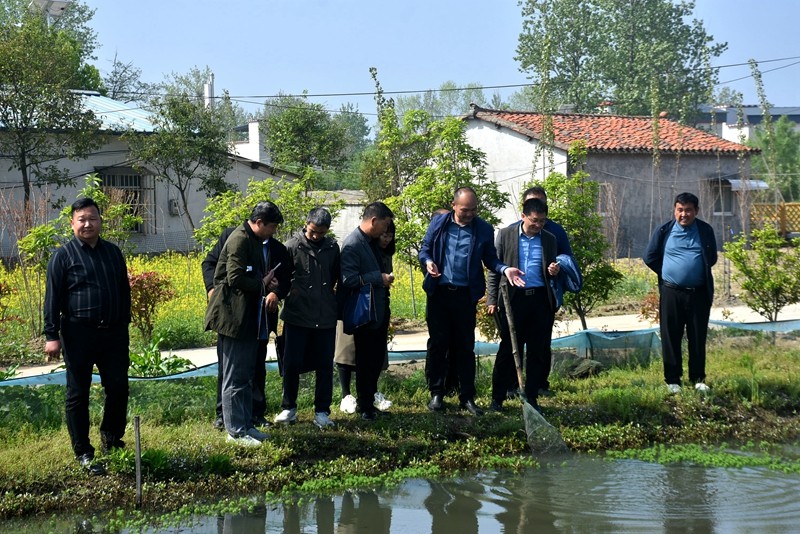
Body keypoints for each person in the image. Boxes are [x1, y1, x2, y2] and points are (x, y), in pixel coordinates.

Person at [44, 197, 132, 476]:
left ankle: (112, 439)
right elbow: (52, 298)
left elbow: (123, 291)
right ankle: (83, 451)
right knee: (78, 393)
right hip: (78, 334)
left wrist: (124, 324)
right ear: (72, 223)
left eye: (92, 218)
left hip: (113, 335)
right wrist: (51, 335)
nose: (87, 224)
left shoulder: (113, 252)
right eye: (81, 219)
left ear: (100, 221)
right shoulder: (63, 256)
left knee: (118, 388)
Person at [418, 187, 525, 415]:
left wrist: (505, 269)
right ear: (454, 206)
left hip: (465, 296)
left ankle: (467, 397)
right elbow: (424, 249)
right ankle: (437, 394)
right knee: (438, 344)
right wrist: (427, 262)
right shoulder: (439, 223)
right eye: (465, 210)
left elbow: (491, 260)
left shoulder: (483, 229)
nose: (469, 214)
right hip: (439, 293)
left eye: (473, 210)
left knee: (465, 347)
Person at [201, 218, 289, 430]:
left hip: (259, 316)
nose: (274, 231)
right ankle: (227, 418)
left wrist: (275, 291)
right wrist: (213, 289)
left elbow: (286, 278)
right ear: (260, 222)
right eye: (272, 226)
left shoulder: (277, 248)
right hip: (234, 314)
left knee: (255, 366)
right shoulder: (235, 237)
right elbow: (220, 270)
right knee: (230, 370)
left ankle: (252, 416)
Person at [486, 198, 560, 412]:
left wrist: (554, 270)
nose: (538, 225)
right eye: (534, 220)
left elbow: (551, 269)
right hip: (514, 299)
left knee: (537, 351)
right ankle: (497, 399)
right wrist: (492, 299)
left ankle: (532, 397)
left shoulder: (549, 239)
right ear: (523, 216)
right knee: (508, 350)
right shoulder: (505, 235)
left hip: (540, 300)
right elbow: (495, 269)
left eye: (542, 221)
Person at [274, 208, 341, 428]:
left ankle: (322, 411)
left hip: (325, 315)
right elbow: (282, 278)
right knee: (291, 363)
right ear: (306, 224)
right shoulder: (292, 246)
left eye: (321, 233)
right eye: (313, 231)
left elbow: (336, 276)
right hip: (297, 314)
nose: (316, 236)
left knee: (324, 365)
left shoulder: (332, 247)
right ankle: (288, 408)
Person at [644, 192, 717, 394]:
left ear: (696, 211)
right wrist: (668, 271)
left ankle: (698, 378)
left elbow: (711, 258)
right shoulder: (664, 231)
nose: (684, 214)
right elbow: (649, 256)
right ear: (675, 210)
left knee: (697, 336)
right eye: (680, 210)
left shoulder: (705, 230)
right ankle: (672, 380)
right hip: (671, 293)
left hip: (698, 293)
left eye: (688, 210)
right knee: (671, 336)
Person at [340, 202, 395, 421]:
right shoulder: (353, 244)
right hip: (365, 312)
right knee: (365, 360)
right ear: (374, 221)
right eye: (385, 224)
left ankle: (369, 402)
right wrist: (378, 278)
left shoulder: (372, 242)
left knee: (375, 358)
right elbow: (348, 279)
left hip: (379, 310)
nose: (386, 230)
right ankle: (365, 407)